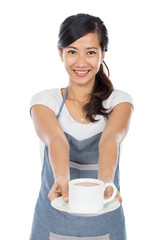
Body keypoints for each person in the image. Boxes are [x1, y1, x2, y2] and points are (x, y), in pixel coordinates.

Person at [29, 13, 133, 240]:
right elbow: (56, 140)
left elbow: (110, 139)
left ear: (103, 53)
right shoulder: (45, 101)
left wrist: (106, 182)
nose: (81, 62)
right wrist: (61, 179)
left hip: (105, 224)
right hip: (51, 221)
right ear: (60, 53)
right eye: (72, 52)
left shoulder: (118, 101)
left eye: (91, 52)